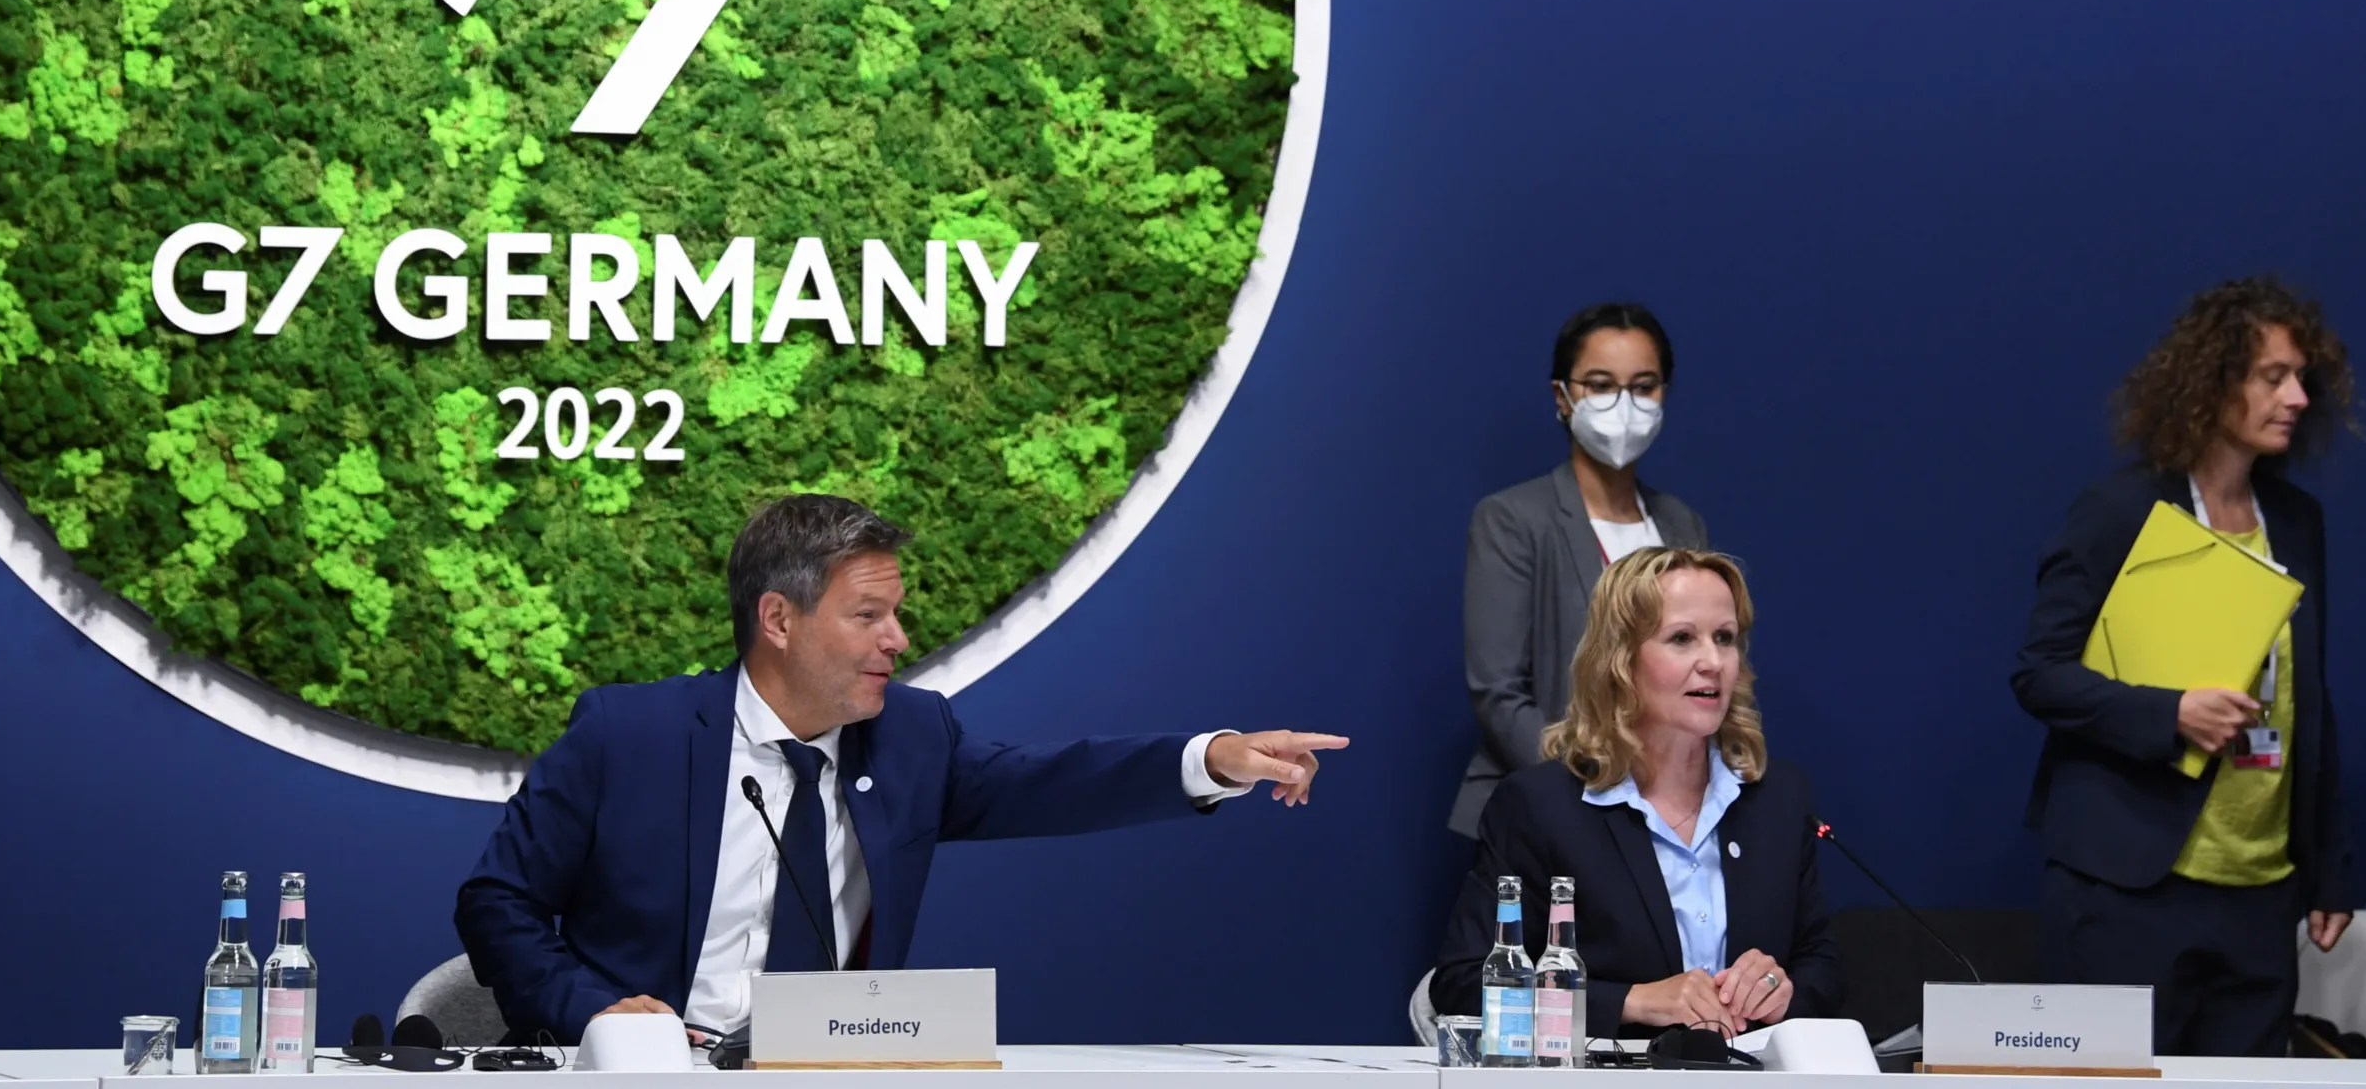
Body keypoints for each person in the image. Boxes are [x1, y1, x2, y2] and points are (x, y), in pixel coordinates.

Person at [456, 494, 1347, 1043]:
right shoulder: (630, 733)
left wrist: (1212, 759)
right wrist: (596, 1014)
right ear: (778, 619)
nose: (899, 640)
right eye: (869, 614)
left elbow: (1055, 780)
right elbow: (497, 901)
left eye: (898, 613)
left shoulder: (913, 736)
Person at [2013, 277, 2357, 1057]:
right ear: (2212, 381)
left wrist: (2328, 866)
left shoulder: (2299, 522)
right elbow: (2039, 671)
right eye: (2274, 376)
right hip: (2132, 884)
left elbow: (2312, 700)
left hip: (2262, 891)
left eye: (2304, 377)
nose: (2299, 396)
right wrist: (2168, 714)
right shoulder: (2120, 509)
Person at [1432, 547, 1841, 1039]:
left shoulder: (1778, 799)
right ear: (1621, 659)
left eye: (1725, 638)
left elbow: (1824, 966)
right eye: (1683, 639)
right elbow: (1463, 982)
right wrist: (1635, 1001)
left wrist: (1782, 990)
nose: (1712, 661)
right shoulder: (1540, 809)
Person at [1452, 302, 1711, 836]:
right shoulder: (1512, 519)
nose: (1624, 405)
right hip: (1548, 815)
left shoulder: (1682, 525)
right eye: (1600, 384)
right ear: (1563, 398)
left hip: (1670, 818)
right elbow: (1498, 693)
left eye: (1643, 387)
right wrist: (1598, 786)